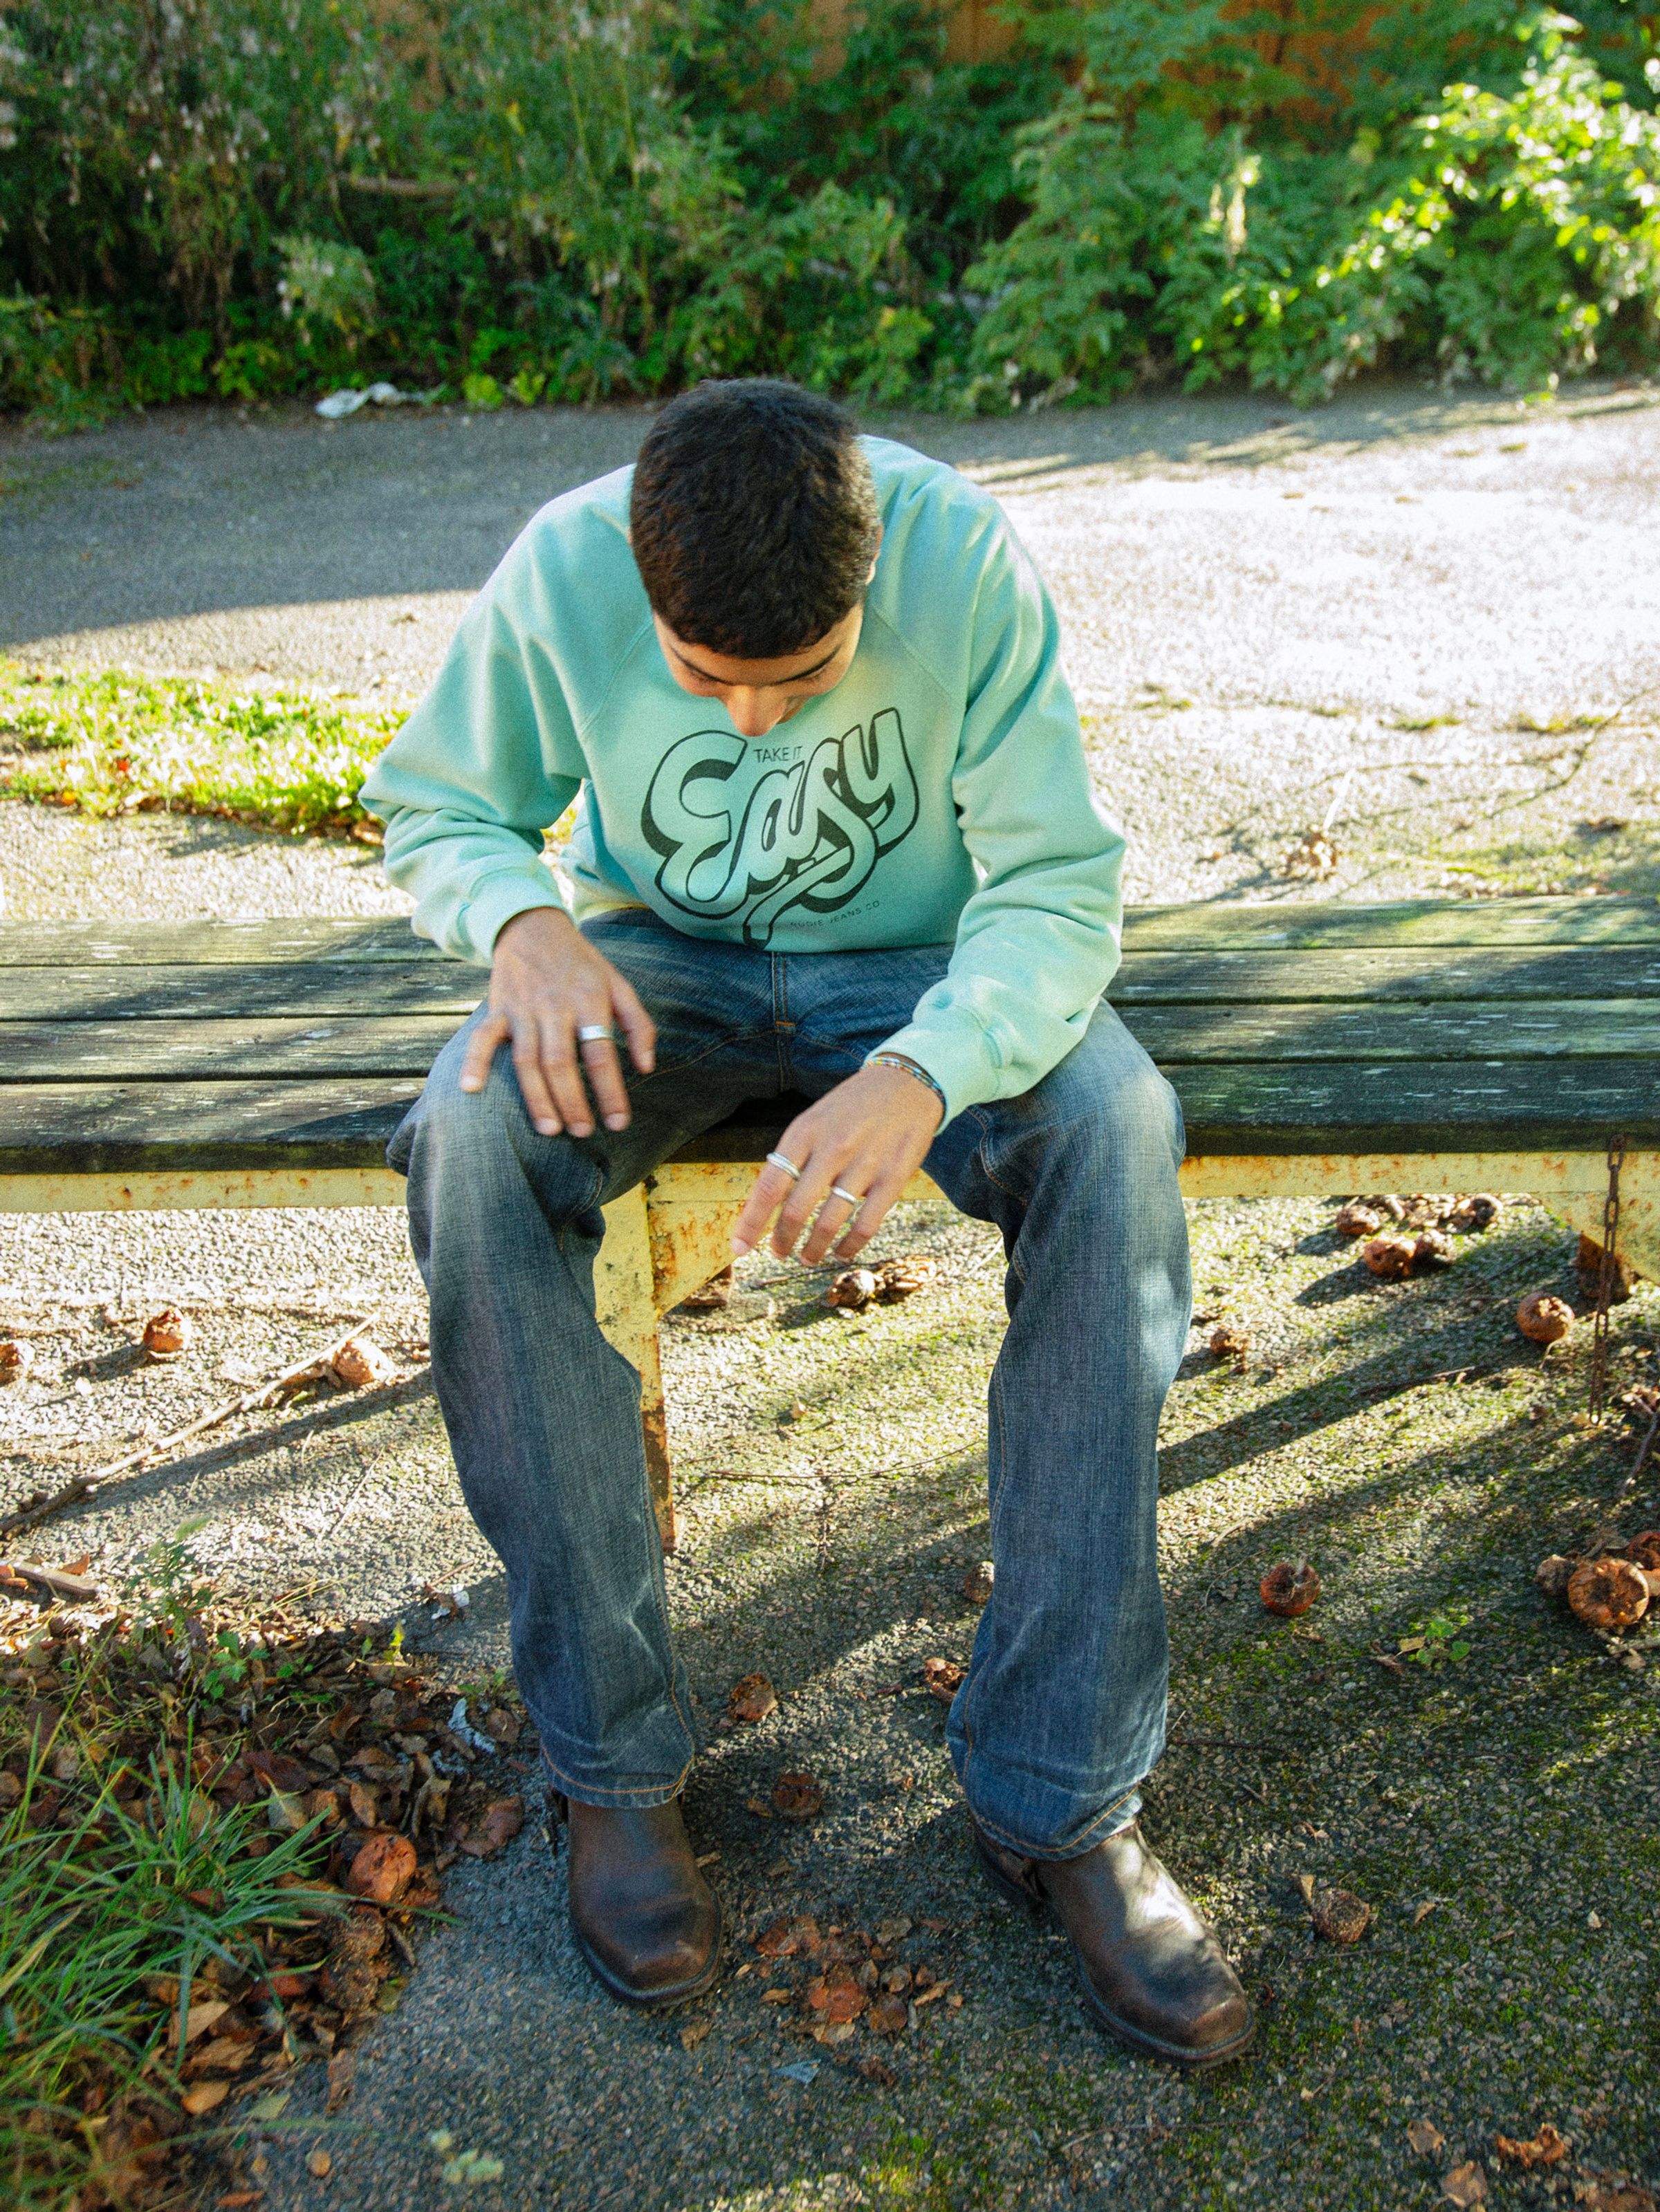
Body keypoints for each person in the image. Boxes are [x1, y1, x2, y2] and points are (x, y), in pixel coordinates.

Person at [362, 378, 1253, 2070]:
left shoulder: (964, 560)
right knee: (470, 1145)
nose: (755, 720)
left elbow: (1060, 891)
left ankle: (1062, 1802)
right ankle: (613, 1772)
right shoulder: (565, 566)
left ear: (870, 574)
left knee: (1118, 1129)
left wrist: (928, 1068)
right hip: (659, 971)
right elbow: (440, 803)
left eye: (807, 675)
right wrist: (519, 925)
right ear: (644, 593)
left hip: (925, 969)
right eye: (709, 682)